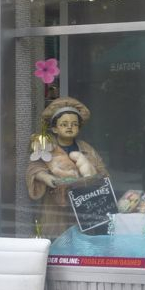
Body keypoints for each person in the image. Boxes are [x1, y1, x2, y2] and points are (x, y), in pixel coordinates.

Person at [26, 97, 109, 238]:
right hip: (55, 204)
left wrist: (94, 178)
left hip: (83, 201)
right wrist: (46, 177)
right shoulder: (47, 148)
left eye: (74, 124)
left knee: (81, 238)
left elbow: (101, 171)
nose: (69, 127)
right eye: (64, 124)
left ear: (79, 127)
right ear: (55, 128)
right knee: (57, 235)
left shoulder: (86, 148)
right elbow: (34, 167)